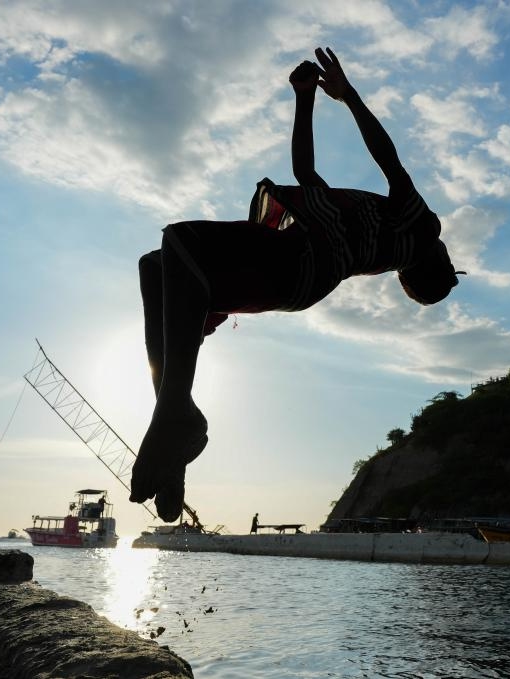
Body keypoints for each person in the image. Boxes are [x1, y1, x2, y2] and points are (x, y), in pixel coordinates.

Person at [131, 47, 462, 522]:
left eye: (447, 263)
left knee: (181, 240)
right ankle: (176, 425)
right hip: (293, 265)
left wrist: (349, 98)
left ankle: (172, 417)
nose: (448, 251)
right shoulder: (368, 227)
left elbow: (387, 155)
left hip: (299, 260)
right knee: (156, 267)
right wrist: (304, 100)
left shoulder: (420, 228)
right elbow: (305, 175)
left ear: (428, 263)